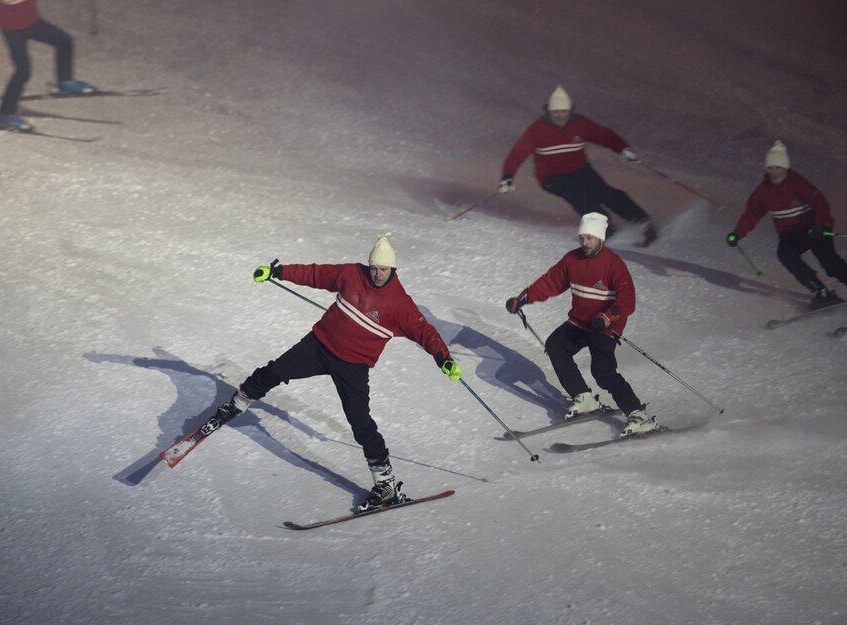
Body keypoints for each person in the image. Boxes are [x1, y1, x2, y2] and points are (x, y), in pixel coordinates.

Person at [197, 235, 462, 512]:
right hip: (319, 346)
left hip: (353, 366)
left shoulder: (400, 304)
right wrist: (278, 271)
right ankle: (235, 404)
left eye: (383, 269)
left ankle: (386, 485)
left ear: (393, 269)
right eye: (374, 268)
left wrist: (444, 359)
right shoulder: (351, 274)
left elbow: (425, 332)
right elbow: (316, 274)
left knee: (360, 422)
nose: (377, 274)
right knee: (274, 371)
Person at [504, 213, 657, 437]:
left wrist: (608, 317)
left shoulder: (613, 264)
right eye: (582, 237)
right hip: (579, 322)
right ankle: (584, 397)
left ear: (600, 238)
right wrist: (523, 299)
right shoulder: (572, 260)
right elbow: (551, 282)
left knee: (602, 372)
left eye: (590, 238)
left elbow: (627, 300)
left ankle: (638, 415)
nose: (585, 243)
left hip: (604, 326)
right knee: (556, 345)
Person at [726, 140, 847, 316]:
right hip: (791, 234)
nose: (774, 171)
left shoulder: (797, 182)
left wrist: (821, 224)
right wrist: (737, 233)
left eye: (778, 167)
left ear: (786, 168)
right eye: (771, 167)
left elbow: (820, 203)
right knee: (786, 255)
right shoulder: (762, 192)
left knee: (830, 263)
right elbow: (752, 214)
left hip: (815, 229)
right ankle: (821, 292)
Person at [499, 85, 658, 247]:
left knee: (605, 193)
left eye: (564, 112)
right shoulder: (537, 130)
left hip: (579, 169)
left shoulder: (580, 124)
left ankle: (642, 222)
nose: (560, 116)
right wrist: (508, 177)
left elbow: (604, 135)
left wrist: (622, 149)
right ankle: (603, 227)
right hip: (551, 177)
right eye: (555, 112)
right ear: (548, 111)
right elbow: (517, 154)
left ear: (570, 111)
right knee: (578, 195)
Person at [0, 0, 95, 131]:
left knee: (64, 41)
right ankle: (6, 115)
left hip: (32, 22)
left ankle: (65, 82)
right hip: (12, 29)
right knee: (23, 71)